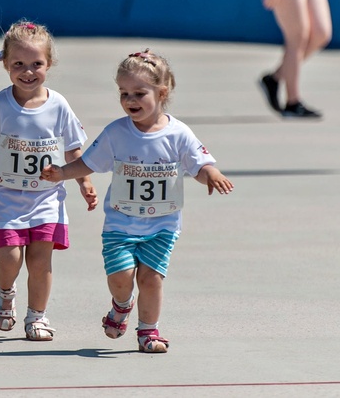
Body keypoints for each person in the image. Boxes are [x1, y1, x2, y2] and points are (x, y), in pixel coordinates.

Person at [40, 49, 233, 353]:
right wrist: (62, 173)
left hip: (162, 224)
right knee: (121, 279)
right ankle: (121, 304)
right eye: (124, 93)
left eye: (139, 93)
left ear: (162, 92)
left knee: (151, 278)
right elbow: (90, 162)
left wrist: (212, 174)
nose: (130, 100)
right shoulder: (117, 132)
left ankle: (149, 332)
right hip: (120, 223)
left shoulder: (178, 133)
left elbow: (198, 164)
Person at [0, 15, 97, 341]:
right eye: (19, 64)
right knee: (10, 259)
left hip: (47, 198)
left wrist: (84, 183)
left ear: (49, 63)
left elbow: (73, 149)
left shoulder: (59, 106)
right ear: (5, 65)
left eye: (36, 64)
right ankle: (5, 292)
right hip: (6, 199)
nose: (28, 72)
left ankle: (37, 317)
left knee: (41, 260)